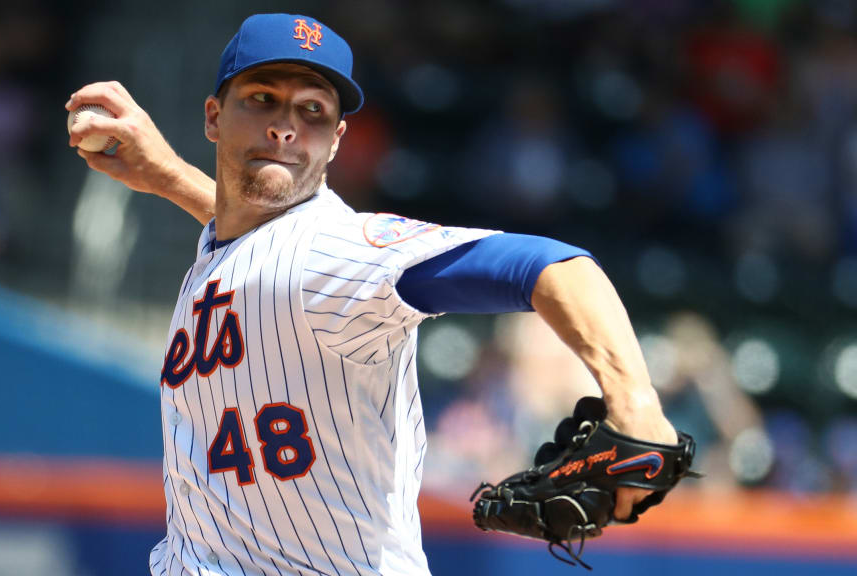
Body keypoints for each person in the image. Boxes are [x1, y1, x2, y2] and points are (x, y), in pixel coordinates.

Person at [66, 13, 679, 576]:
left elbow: (551, 265)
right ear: (213, 117)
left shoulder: (341, 252)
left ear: (336, 142)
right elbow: (258, 251)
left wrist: (636, 399)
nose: (285, 127)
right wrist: (169, 176)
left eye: (313, 112)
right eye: (262, 100)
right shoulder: (241, 249)